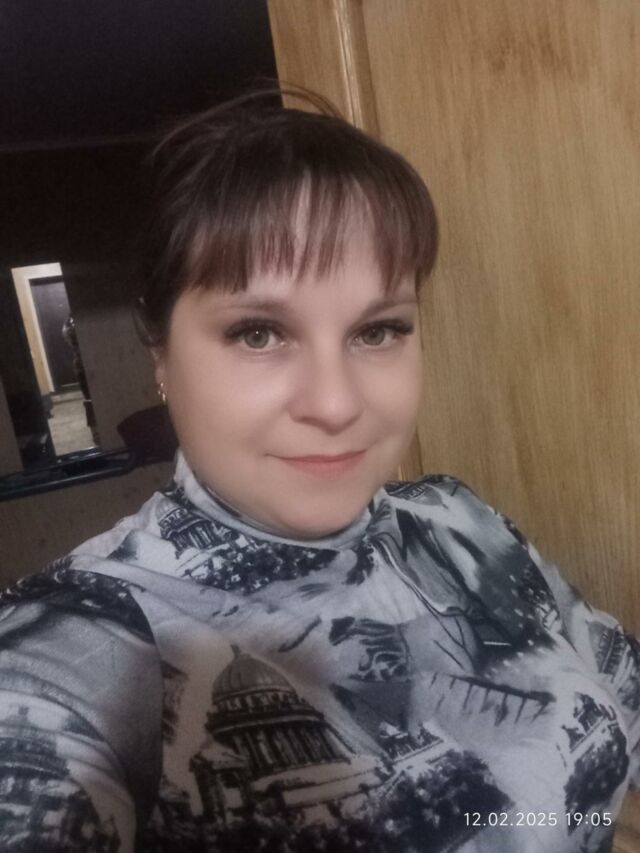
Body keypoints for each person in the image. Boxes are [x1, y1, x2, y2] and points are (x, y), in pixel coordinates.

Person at [0, 90, 638, 853]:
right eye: (258, 332)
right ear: (160, 354)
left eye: (378, 330)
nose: (336, 404)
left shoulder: (456, 520)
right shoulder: (76, 645)